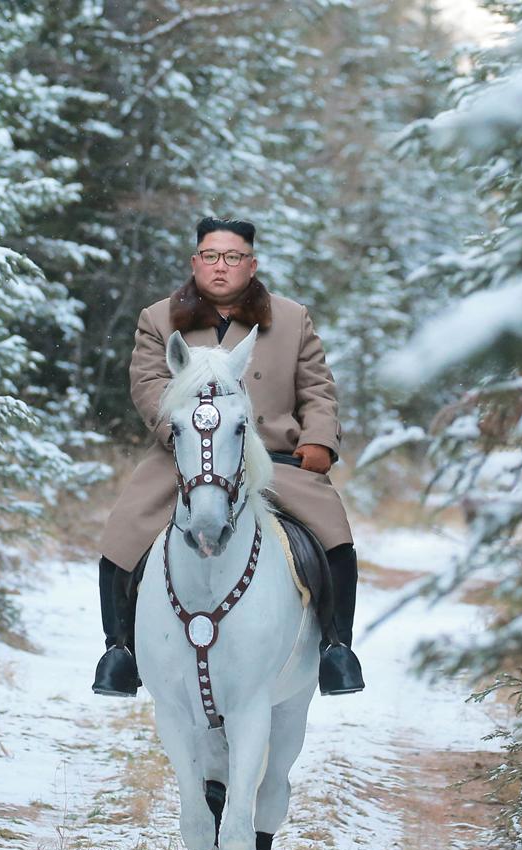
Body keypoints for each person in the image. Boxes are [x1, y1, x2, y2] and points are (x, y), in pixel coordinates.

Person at [92, 216, 365, 698]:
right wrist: (184, 430)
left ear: (252, 263)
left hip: (276, 459)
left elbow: (318, 390)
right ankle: (121, 652)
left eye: (233, 257)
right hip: (185, 458)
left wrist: (320, 439)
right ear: (196, 262)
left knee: (334, 541)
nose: (222, 267)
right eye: (212, 256)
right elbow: (149, 387)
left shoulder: (291, 318)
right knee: (122, 536)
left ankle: (335, 650)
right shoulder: (158, 320)